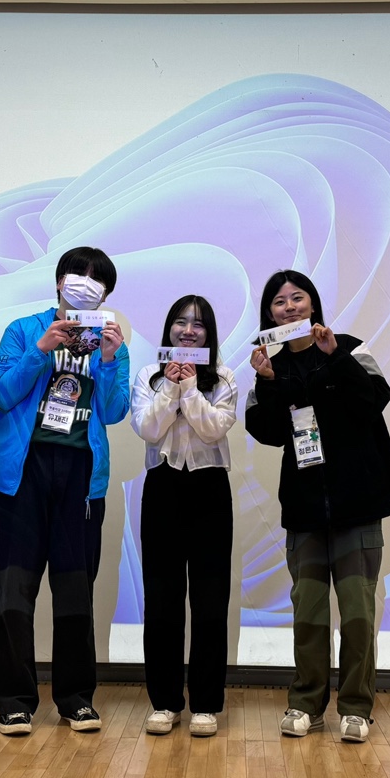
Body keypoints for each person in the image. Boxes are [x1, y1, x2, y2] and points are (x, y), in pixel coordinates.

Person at [244, 269, 390, 744]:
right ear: (269, 314)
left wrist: (335, 357)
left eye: (297, 298)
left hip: (358, 504)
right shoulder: (268, 366)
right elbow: (266, 431)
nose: (289, 307)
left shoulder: (349, 346)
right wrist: (268, 381)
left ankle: (356, 707)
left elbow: (375, 398)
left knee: (357, 613)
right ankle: (306, 704)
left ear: (312, 304)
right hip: (305, 509)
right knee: (308, 612)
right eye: (279, 302)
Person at [0, 246, 132, 735]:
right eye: (77, 275)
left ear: (105, 293)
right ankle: (14, 701)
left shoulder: (113, 341)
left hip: (80, 475)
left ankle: (76, 699)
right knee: (15, 588)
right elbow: (2, 393)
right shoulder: (24, 330)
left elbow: (113, 411)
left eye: (97, 279)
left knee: (74, 590)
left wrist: (107, 359)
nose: (86, 284)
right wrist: (41, 349)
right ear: (59, 281)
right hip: (20, 474)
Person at [130, 296, 237, 738]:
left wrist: (190, 388)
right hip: (163, 487)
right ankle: (165, 702)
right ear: (169, 330)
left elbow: (213, 429)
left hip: (210, 488)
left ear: (208, 334)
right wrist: (170, 389)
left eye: (198, 325)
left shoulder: (224, 377)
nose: (188, 331)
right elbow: (148, 429)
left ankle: (206, 704)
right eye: (180, 322)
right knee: (162, 598)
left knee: (210, 599)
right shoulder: (147, 376)